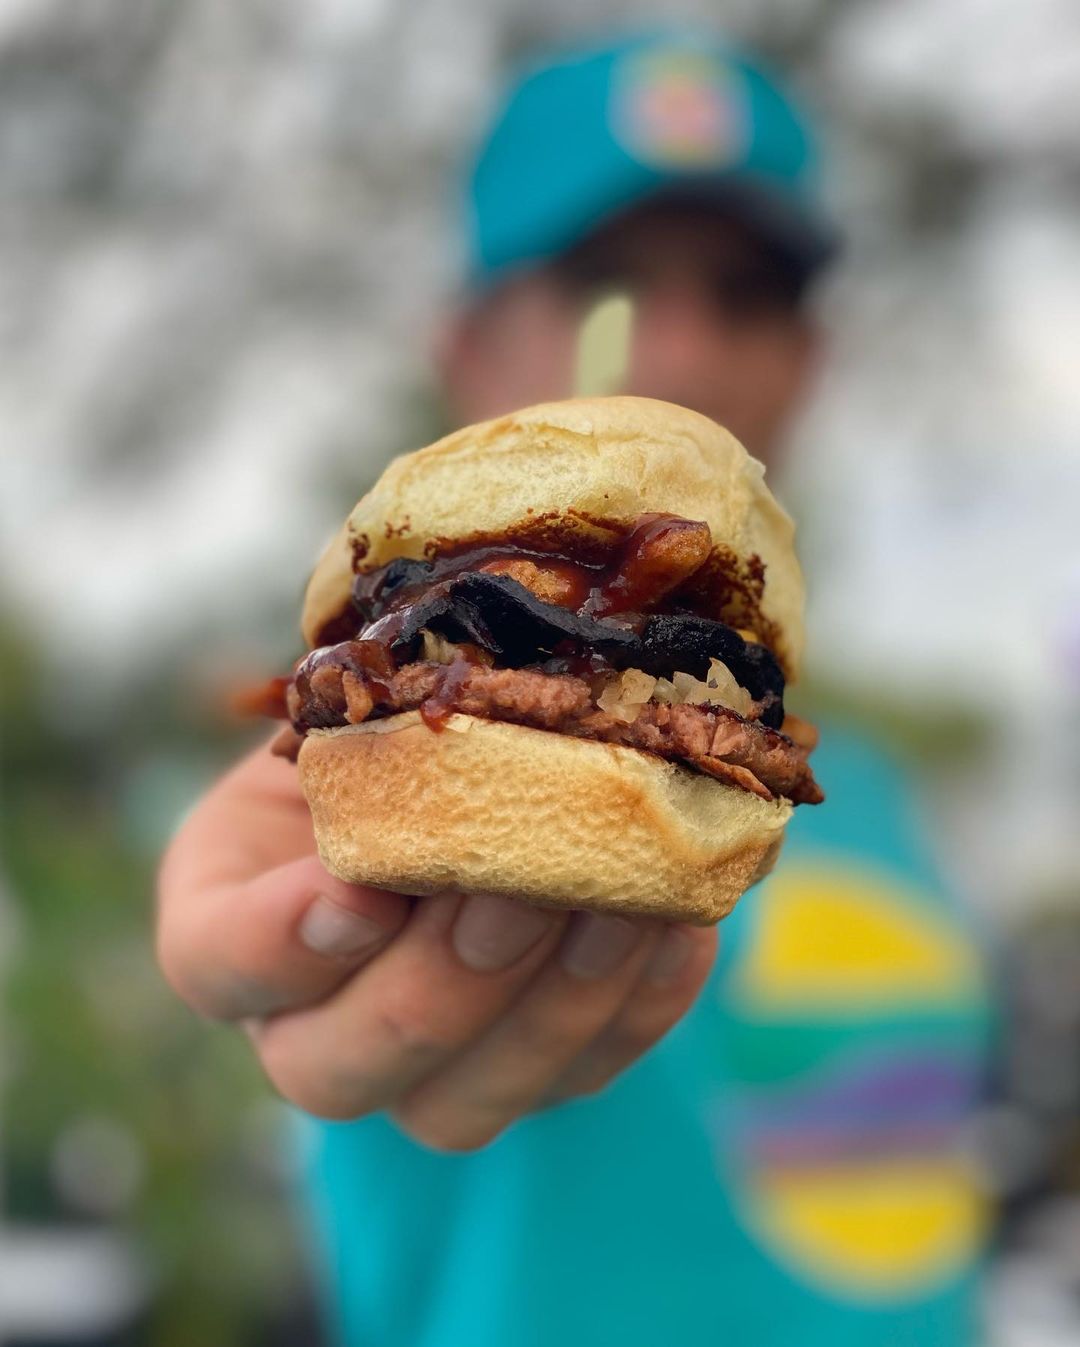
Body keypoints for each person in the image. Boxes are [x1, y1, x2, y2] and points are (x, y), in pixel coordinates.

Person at [158, 28, 993, 1347]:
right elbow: (262, 920)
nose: (685, 350)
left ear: (811, 358)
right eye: (606, 287)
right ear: (471, 352)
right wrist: (305, 886)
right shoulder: (366, 801)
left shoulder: (883, 795)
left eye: (746, 293)